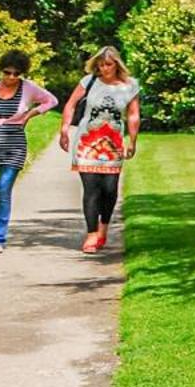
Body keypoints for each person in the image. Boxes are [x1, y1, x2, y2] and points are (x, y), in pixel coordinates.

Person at [0, 50, 59, 254]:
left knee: (3, 191)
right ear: (1, 70)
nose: (11, 77)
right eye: (7, 72)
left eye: (17, 74)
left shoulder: (28, 88)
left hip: (13, 145)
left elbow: (51, 101)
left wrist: (30, 115)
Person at [57, 45, 141, 255]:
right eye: (101, 65)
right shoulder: (89, 82)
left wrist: (132, 140)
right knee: (91, 188)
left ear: (117, 64)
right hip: (88, 139)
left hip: (113, 141)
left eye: (109, 64)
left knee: (110, 189)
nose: (105, 68)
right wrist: (65, 128)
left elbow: (133, 114)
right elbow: (71, 104)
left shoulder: (130, 86)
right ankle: (92, 234)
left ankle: (104, 227)